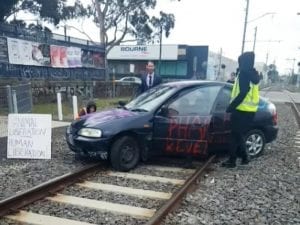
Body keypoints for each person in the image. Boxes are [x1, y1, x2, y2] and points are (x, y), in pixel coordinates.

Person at [222, 51, 260, 168]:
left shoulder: (244, 74)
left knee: (234, 135)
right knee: (239, 135)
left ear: (244, 62)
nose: (239, 64)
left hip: (240, 110)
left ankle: (233, 161)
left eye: (240, 61)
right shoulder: (254, 75)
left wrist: (230, 107)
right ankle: (244, 158)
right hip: (250, 111)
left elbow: (243, 92)